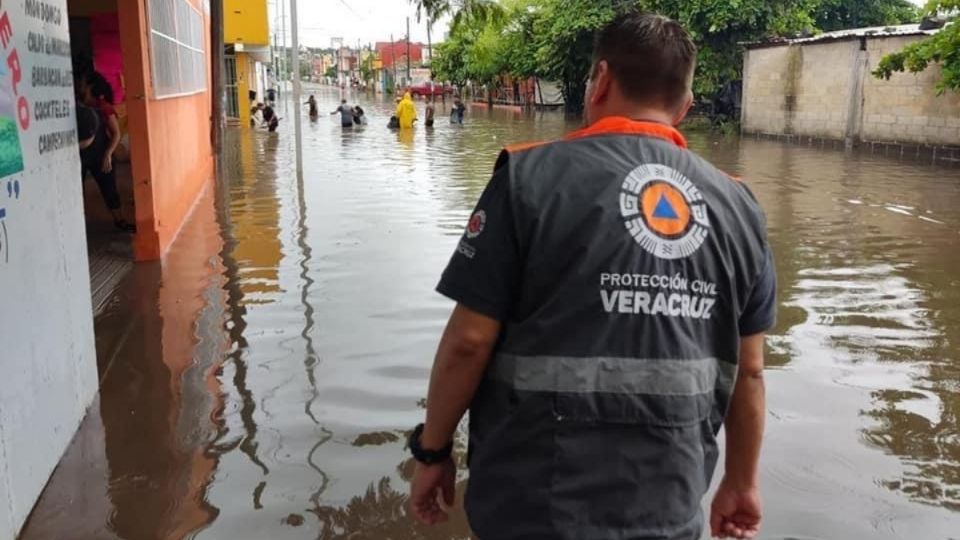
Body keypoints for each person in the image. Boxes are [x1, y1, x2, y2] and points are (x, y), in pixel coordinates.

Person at [409, 11, 776, 540]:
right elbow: (751, 372)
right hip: (668, 505)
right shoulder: (741, 206)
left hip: (530, 505)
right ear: (686, 107)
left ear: (600, 80)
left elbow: (469, 341)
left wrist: (433, 450)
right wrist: (742, 482)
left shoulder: (527, 178)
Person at [79, 72, 134, 232]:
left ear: (90, 86)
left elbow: (116, 134)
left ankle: (120, 220)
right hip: (81, 155)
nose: (79, 86)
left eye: (82, 83)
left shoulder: (103, 107)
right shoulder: (78, 106)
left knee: (109, 188)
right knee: (77, 192)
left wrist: (108, 155)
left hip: (100, 156)